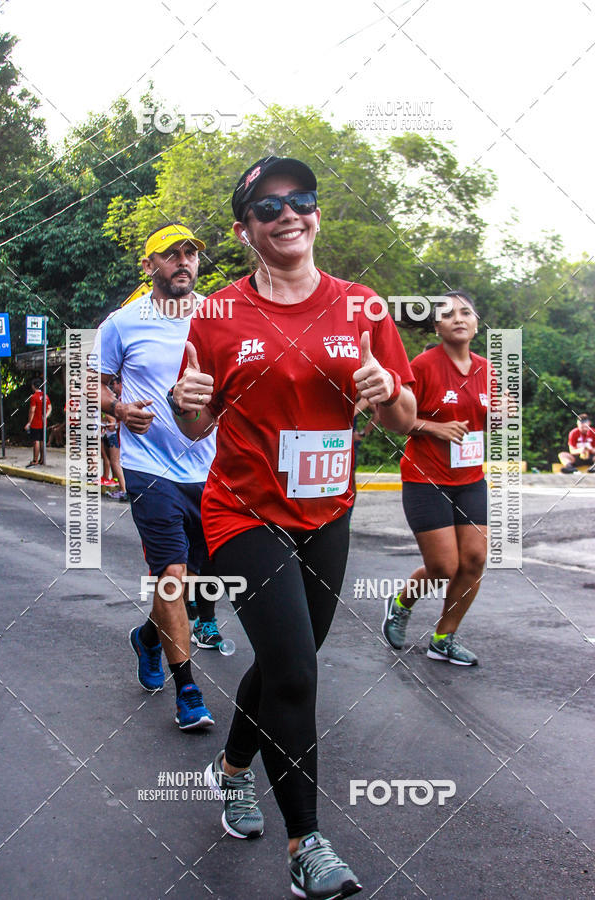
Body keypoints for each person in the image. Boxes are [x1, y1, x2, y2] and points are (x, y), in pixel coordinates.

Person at [171, 157, 416, 900]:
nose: (288, 214)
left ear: (315, 214)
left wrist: (390, 392)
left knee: (287, 660)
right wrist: (187, 402)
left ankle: (232, 770)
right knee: (298, 673)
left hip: (328, 511)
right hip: (243, 512)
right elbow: (194, 426)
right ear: (246, 229)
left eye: (300, 200)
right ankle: (307, 843)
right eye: (268, 206)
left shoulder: (364, 308)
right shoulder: (214, 313)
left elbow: (403, 422)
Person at [96, 222, 221, 731]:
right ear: (149, 266)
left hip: (212, 469)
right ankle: (187, 690)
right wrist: (122, 409)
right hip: (151, 468)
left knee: (196, 582)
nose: (184, 262)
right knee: (172, 576)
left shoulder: (219, 315)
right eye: (171, 255)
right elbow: (94, 387)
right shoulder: (122, 323)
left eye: (190, 253)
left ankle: (148, 638)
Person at [383, 291, 488, 666]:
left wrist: (505, 416)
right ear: (437, 326)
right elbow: (390, 420)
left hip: (471, 477)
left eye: (466, 312)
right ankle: (401, 603)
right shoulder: (424, 365)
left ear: (476, 323)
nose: (458, 318)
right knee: (444, 566)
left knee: (474, 559)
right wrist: (434, 428)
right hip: (426, 479)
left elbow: (487, 423)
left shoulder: (487, 369)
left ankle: (444, 638)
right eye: (448, 314)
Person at [24, 377, 51, 466]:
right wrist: (46, 416)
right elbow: (50, 407)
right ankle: (42, 459)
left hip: (36, 422)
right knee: (42, 441)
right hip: (44, 422)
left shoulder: (34, 397)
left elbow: (32, 410)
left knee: (36, 441)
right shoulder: (45, 396)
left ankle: (35, 460)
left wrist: (29, 422)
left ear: (33, 386)